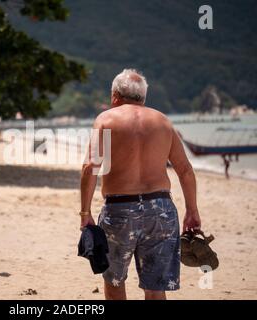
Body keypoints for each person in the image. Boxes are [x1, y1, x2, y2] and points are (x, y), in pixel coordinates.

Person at [80, 69, 201, 300]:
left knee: (115, 281)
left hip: (120, 211)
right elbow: (185, 170)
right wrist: (192, 210)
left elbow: (90, 168)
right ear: (143, 97)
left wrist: (85, 212)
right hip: (161, 211)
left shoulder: (106, 120)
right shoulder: (163, 122)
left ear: (115, 96)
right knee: (156, 288)